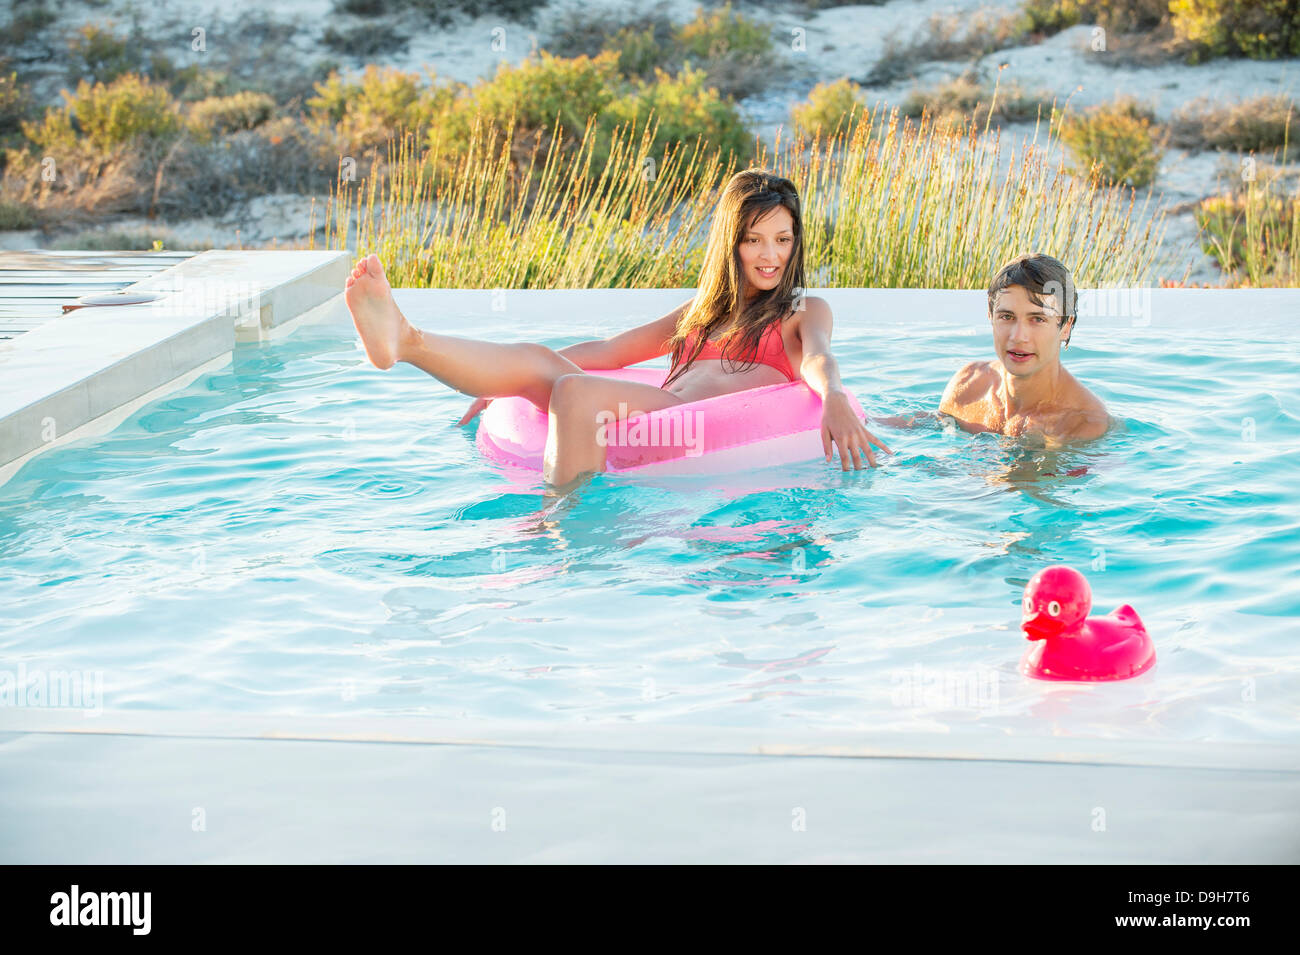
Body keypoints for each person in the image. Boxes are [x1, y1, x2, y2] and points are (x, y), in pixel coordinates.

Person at [344, 169, 890, 486]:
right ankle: (406, 342)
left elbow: (817, 357)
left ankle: (556, 524)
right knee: (541, 362)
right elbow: (609, 351)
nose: (770, 254)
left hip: (688, 426)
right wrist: (503, 387)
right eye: (754, 239)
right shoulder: (699, 314)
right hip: (655, 412)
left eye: (783, 238)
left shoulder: (801, 311)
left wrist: (835, 396)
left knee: (573, 391)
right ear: (731, 243)